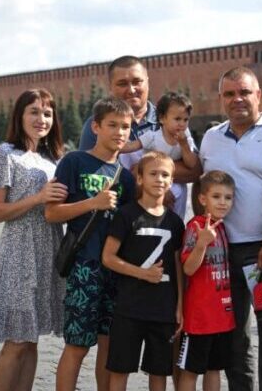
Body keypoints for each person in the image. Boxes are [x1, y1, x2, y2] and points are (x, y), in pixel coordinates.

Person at [198, 67, 262, 391]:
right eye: (229, 94)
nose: (237, 99)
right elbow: (202, 186)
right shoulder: (212, 138)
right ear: (221, 99)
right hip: (222, 251)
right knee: (232, 334)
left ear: (258, 95)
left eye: (244, 92)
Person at [0, 89, 68, 391]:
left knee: (31, 341)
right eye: (33, 111)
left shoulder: (53, 157)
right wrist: (38, 198)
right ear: (19, 115)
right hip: (19, 252)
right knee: (16, 341)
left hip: (48, 248)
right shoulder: (4, 154)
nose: (41, 119)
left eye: (47, 113)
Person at [47, 97, 137, 391]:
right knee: (77, 346)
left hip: (115, 271)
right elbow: (52, 213)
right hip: (84, 267)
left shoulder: (126, 177)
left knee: (108, 347)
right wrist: (92, 203)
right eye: (112, 125)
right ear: (96, 127)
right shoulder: (74, 161)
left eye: (125, 127)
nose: (119, 133)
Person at [102, 151, 185, 391]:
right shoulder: (126, 215)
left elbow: (178, 266)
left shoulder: (175, 222)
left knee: (159, 372)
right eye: (153, 173)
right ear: (140, 179)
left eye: (165, 175)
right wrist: (142, 273)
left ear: (171, 182)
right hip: (129, 308)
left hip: (163, 310)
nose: (159, 179)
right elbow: (108, 257)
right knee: (120, 369)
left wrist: (180, 305)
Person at [78, 56, 198, 218]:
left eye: (137, 82)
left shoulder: (173, 119)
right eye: (122, 84)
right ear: (110, 87)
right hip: (119, 223)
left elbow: (195, 170)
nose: (131, 89)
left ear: (147, 82)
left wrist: (144, 173)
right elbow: (91, 178)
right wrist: (141, 187)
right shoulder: (97, 125)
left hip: (168, 220)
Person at [178, 171, 236, 391]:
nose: (223, 202)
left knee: (214, 369)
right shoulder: (196, 227)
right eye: (216, 196)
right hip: (199, 318)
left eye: (228, 197)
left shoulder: (221, 227)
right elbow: (188, 268)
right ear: (203, 199)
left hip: (222, 317)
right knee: (191, 371)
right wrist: (201, 243)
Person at [120, 92, 201, 217]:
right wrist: (115, 147)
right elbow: (132, 146)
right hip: (151, 179)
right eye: (177, 119)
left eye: (185, 120)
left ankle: (177, 223)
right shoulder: (152, 137)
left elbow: (191, 164)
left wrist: (184, 145)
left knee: (180, 191)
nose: (182, 124)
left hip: (173, 181)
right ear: (162, 118)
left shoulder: (186, 139)